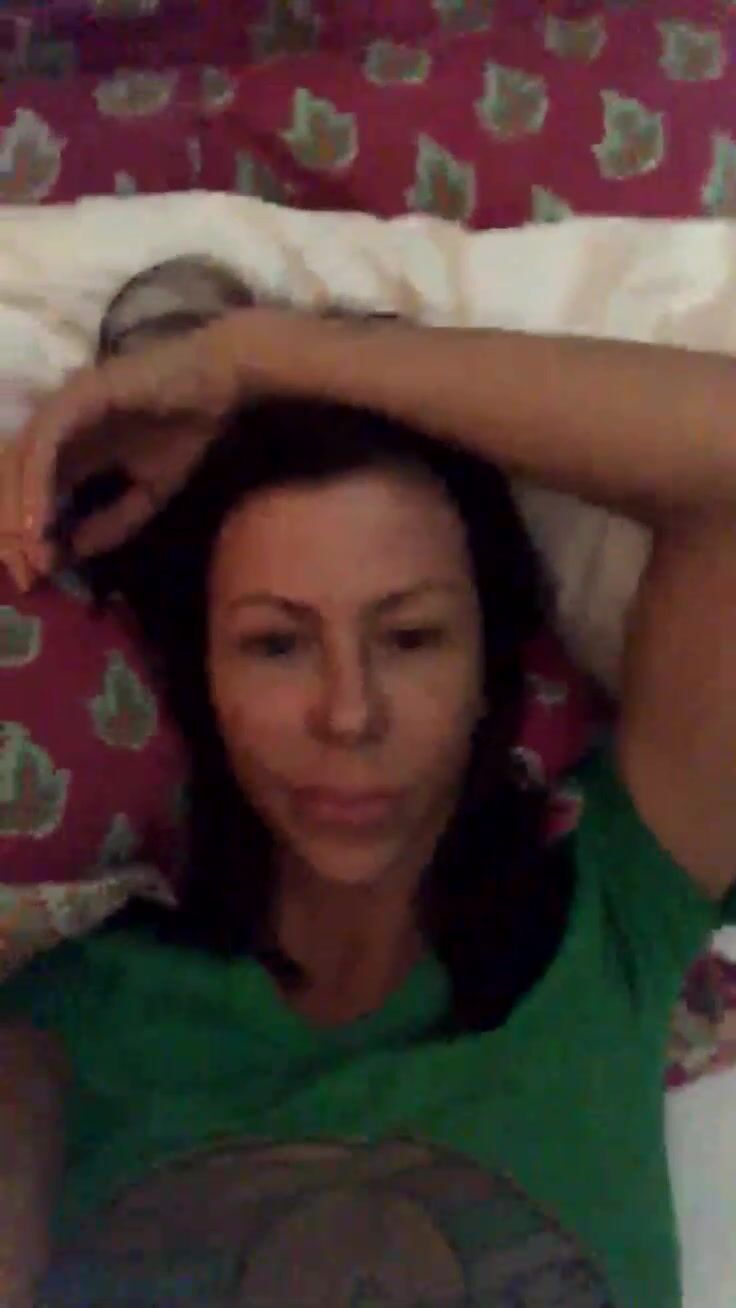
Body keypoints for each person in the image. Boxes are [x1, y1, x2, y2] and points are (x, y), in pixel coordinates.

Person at [1, 305, 735, 1307]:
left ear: (489, 668)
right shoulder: (70, 1015)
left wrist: (251, 357)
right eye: (276, 643)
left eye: (410, 637)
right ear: (201, 682)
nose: (349, 714)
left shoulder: (610, 913)